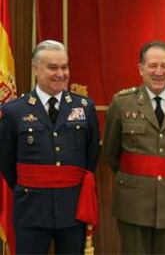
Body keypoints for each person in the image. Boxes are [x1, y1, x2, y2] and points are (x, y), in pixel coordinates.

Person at [0, 40, 100, 254]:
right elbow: (6, 161)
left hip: (72, 209)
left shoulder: (85, 107)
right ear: (36, 68)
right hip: (31, 209)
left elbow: (91, 156)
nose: (60, 74)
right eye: (52, 67)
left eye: (64, 67)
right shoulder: (14, 111)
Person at [102, 40, 165, 254]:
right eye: (152, 65)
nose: (158, 72)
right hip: (133, 200)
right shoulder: (121, 103)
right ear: (141, 69)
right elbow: (111, 153)